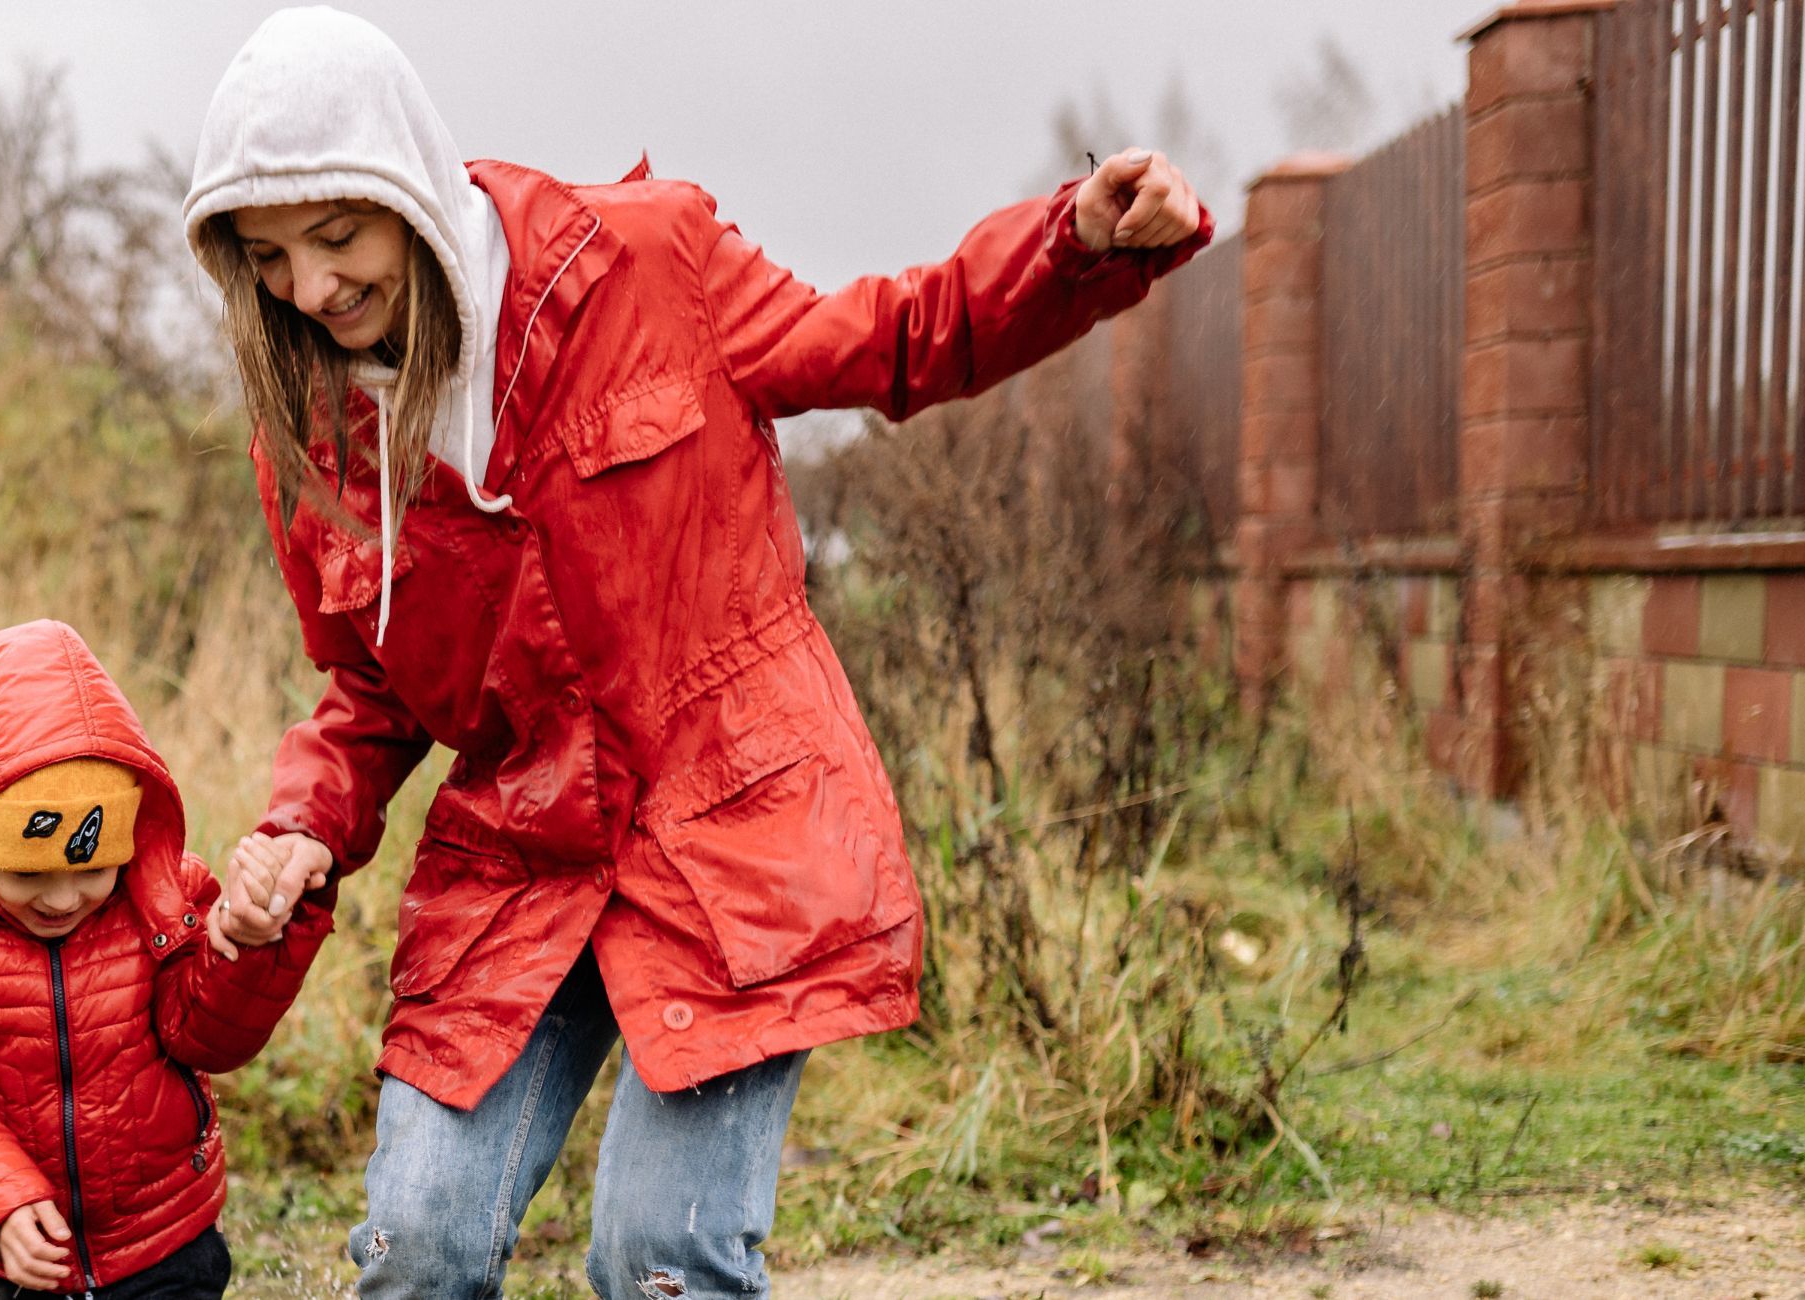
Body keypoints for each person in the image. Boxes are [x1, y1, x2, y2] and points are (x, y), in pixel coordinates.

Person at [181, 8, 1210, 1297]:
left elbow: (888, 339)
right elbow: (374, 691)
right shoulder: (312, 437)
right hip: (524, 853)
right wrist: (301, 827)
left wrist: (1073, 248)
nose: (313, 291)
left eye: (337, 237)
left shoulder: (647, 262)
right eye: (269, 259)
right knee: (418, 1245)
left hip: (730, 826)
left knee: (663, 1256)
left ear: (411, 187)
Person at [0, 619, 334, 1299]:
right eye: (28, 875)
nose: (62, 899)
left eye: (90, 869)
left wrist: (247, 944)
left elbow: (207, 1035)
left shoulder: (162, 901)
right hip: (25, 1255)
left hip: (166, 1241)